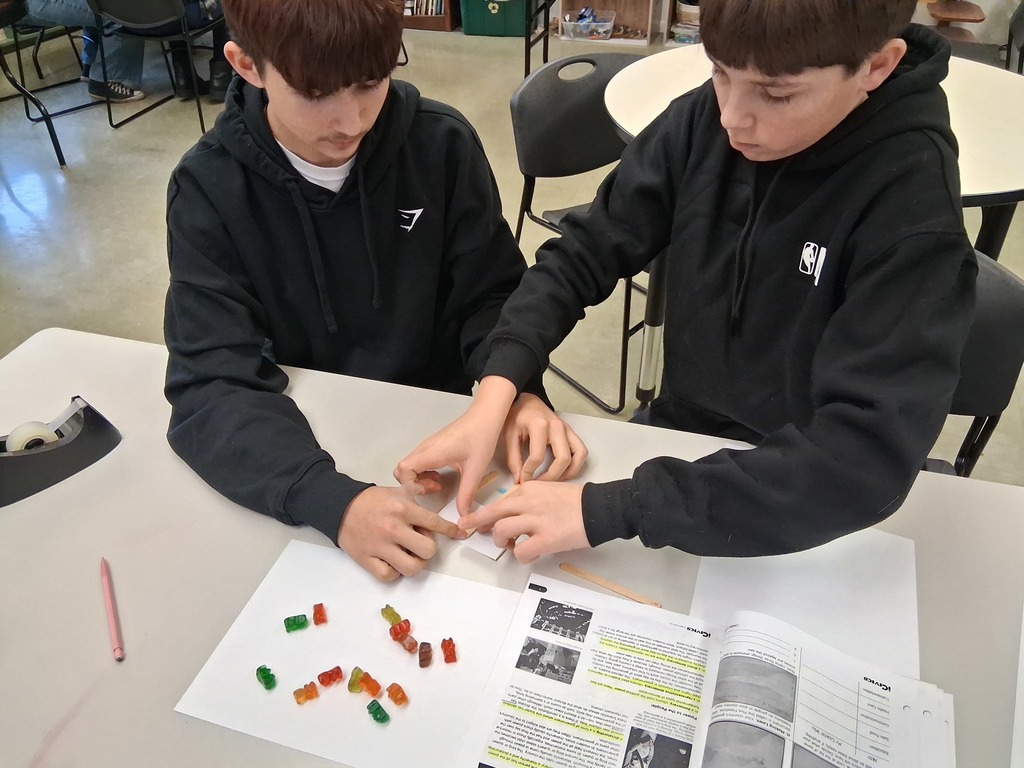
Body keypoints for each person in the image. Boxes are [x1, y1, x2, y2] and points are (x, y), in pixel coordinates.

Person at [396, 0, 977, 564]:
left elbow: (863, 458)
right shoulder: (705, 118)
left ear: (877, 66)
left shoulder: (909, 202)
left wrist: (615, 509)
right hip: (682, 434)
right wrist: (497, 386)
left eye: (776, 94)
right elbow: (586, 250)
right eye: (720, 73)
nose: (732, 117)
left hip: (797, 487)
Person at [162, 0, 586, 582]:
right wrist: (330, 501)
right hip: (301, 443)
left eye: (370, 82)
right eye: (315, 94)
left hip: (442, 431)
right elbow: (211, 381)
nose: (352, 120)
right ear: (246, 65)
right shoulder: (208, 189)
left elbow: (491, 296)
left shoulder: (439, 144)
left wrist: (512, 389)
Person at [23, 0, 145, 102]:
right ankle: (104, 81)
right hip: (29, 6)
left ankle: (90, 65)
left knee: (99, 3)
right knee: (120, 13)